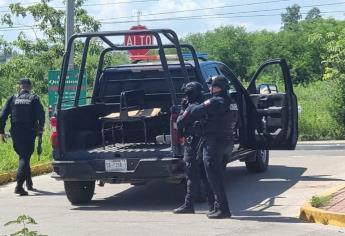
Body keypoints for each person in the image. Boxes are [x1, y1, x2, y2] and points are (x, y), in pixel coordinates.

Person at [177, 75, 238, 219]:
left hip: (214, 143)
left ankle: (223, 210)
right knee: (215, 177)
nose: (210, 88)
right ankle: (216, 207)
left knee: (214, 178)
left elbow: (195, 111)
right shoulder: (232, 101)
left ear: (219, 87)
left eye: (212, 85)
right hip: (227, 141)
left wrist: (188, 107)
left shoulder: (216, 101)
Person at [173, 81, 215, 214]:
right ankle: (213, 205)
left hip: (193, 144)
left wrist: (182, 110)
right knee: (205, 176)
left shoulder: (191, 107)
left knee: (191, 176)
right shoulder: (206, 104)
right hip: (204, 143)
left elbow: (179, 123)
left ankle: (188, 205)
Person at [0, 78, 45, 196]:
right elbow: (41, 115)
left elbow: (2, 116)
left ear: (20, 87)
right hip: (29, 132)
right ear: (29, 87)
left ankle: (29, 183)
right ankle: (19, 186)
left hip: (15, 133)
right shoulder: (34, 98)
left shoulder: (12, 98)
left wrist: (1, 132)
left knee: (24, 156)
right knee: (24, 158)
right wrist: (41, 128)